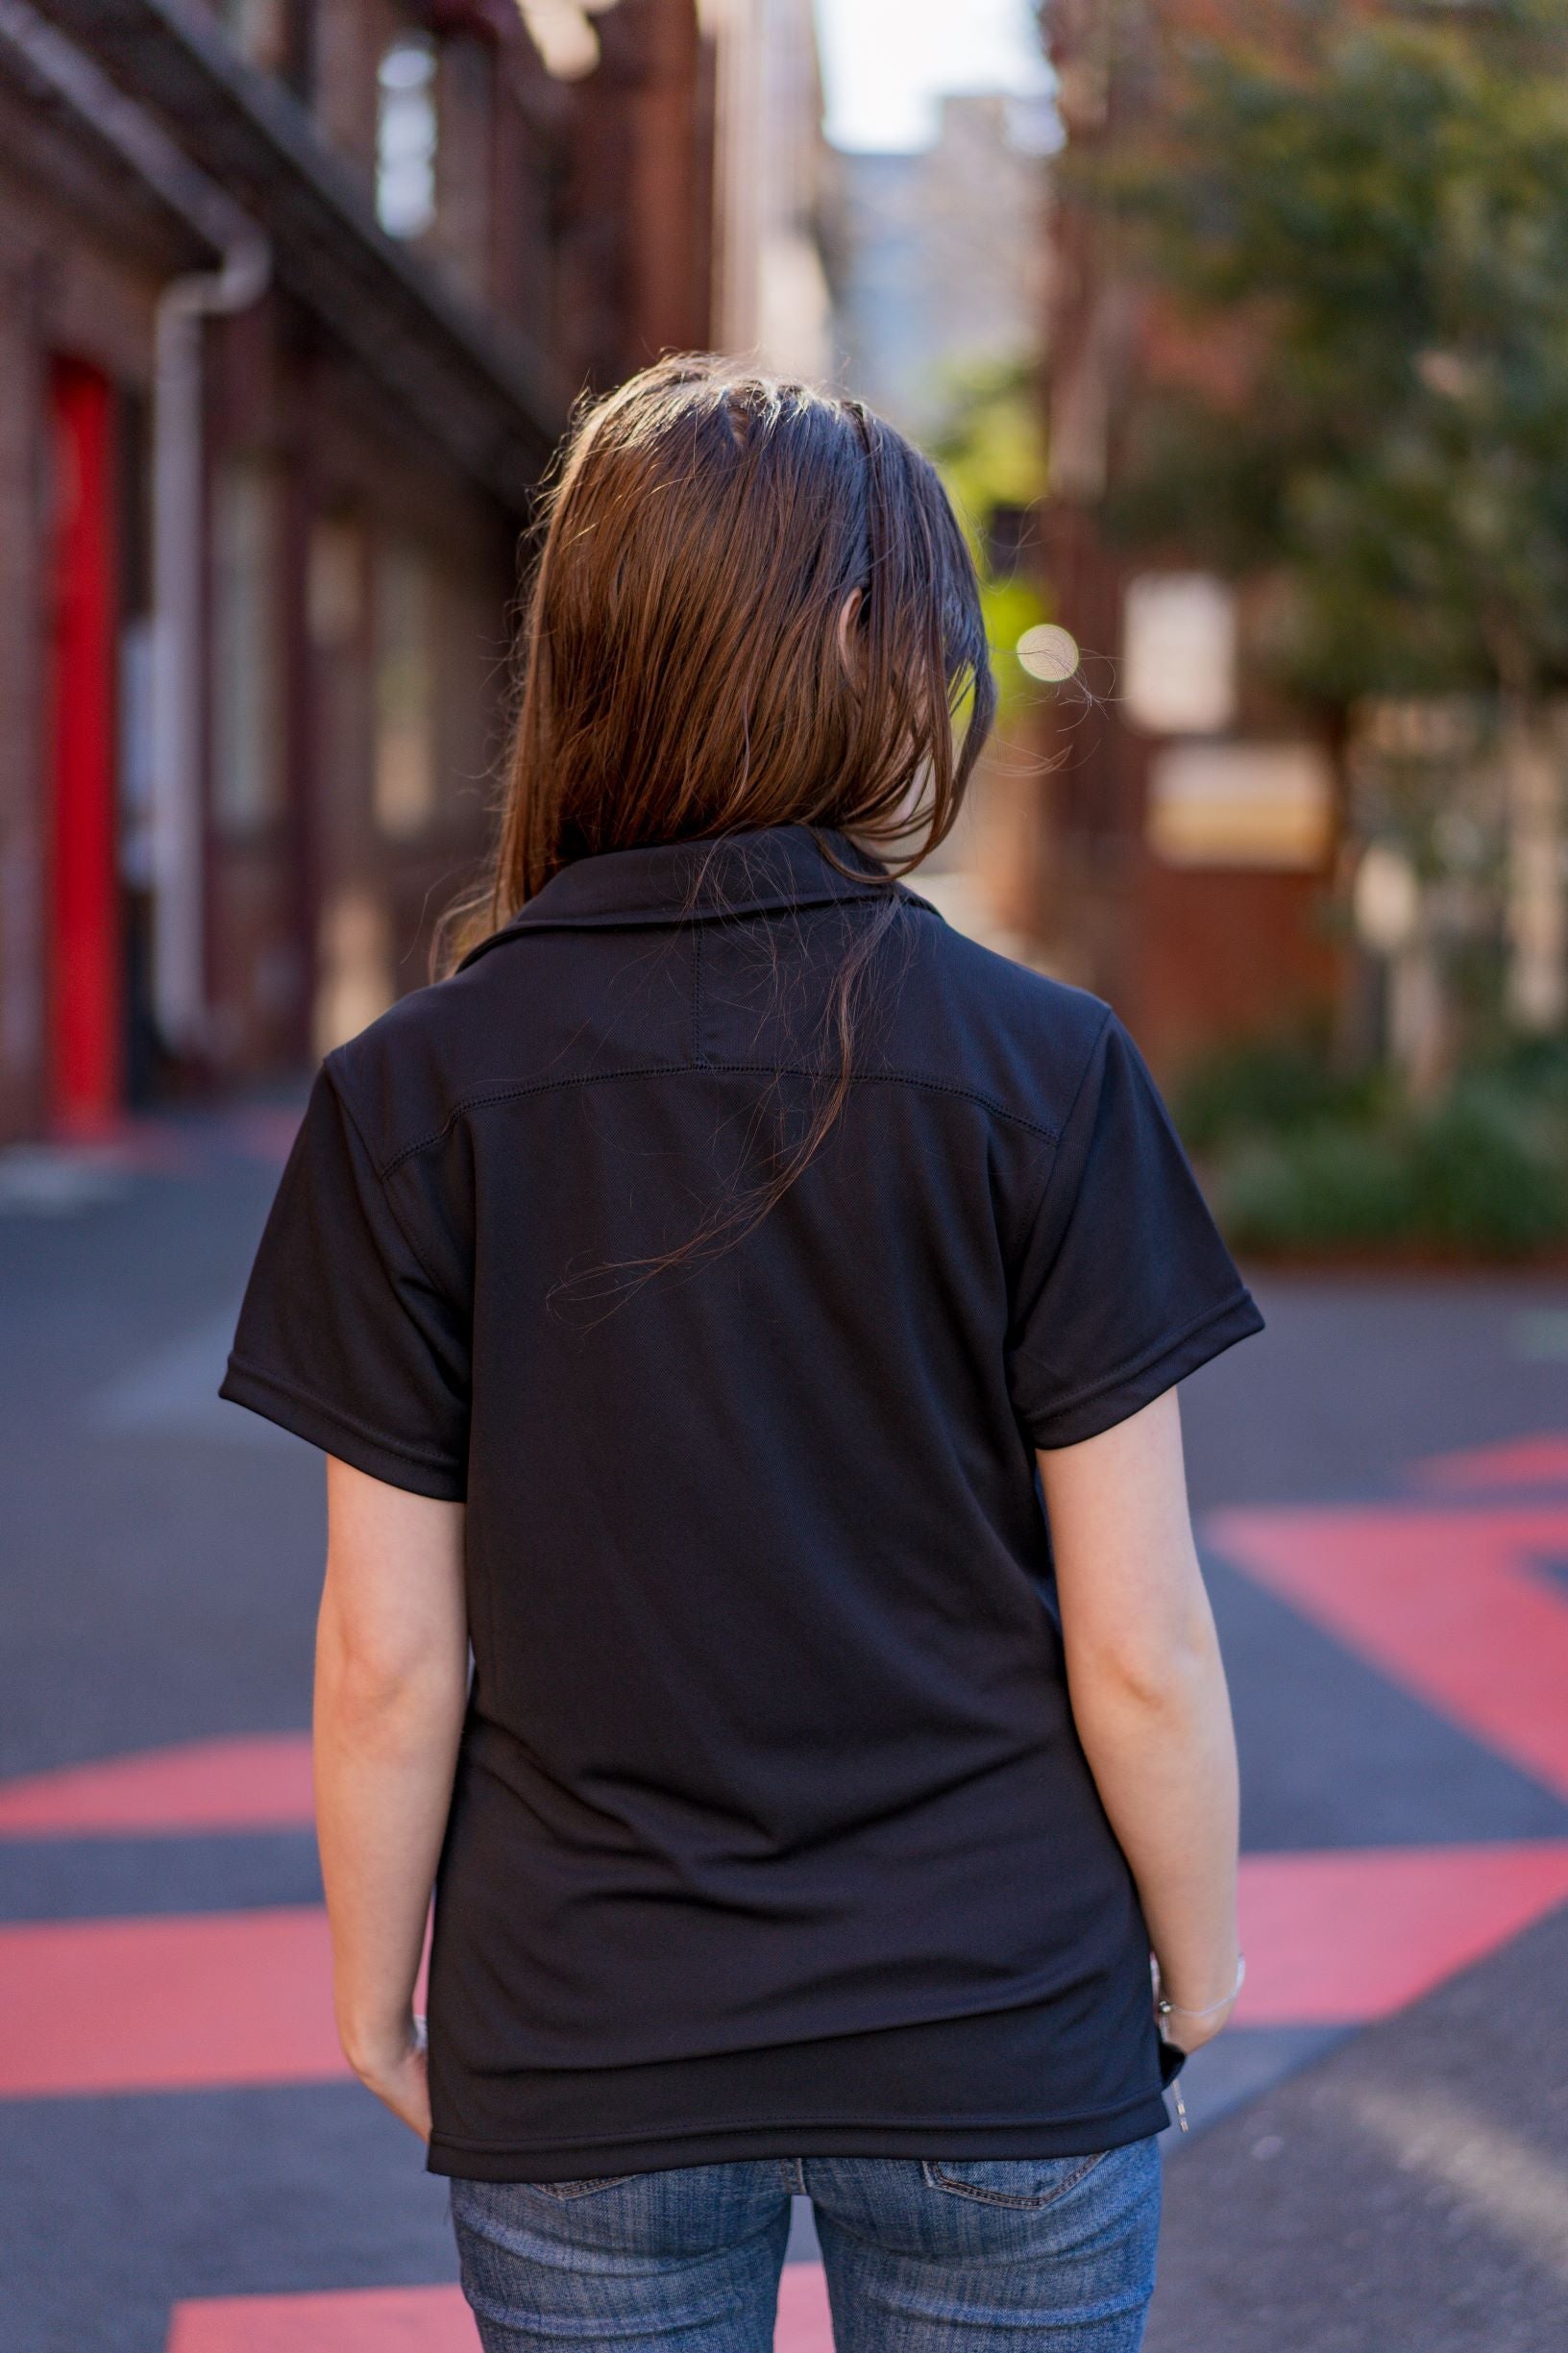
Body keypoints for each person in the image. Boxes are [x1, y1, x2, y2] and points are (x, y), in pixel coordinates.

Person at [221, 355, 1262, 2353]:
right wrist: (1194, 1962)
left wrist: (373, 1987)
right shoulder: (1044, 1072)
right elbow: (1142, 1640)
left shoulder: (410, 1097)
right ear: (879, 665)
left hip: (585, 2039)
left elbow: (386, 1653)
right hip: (998, 2027)